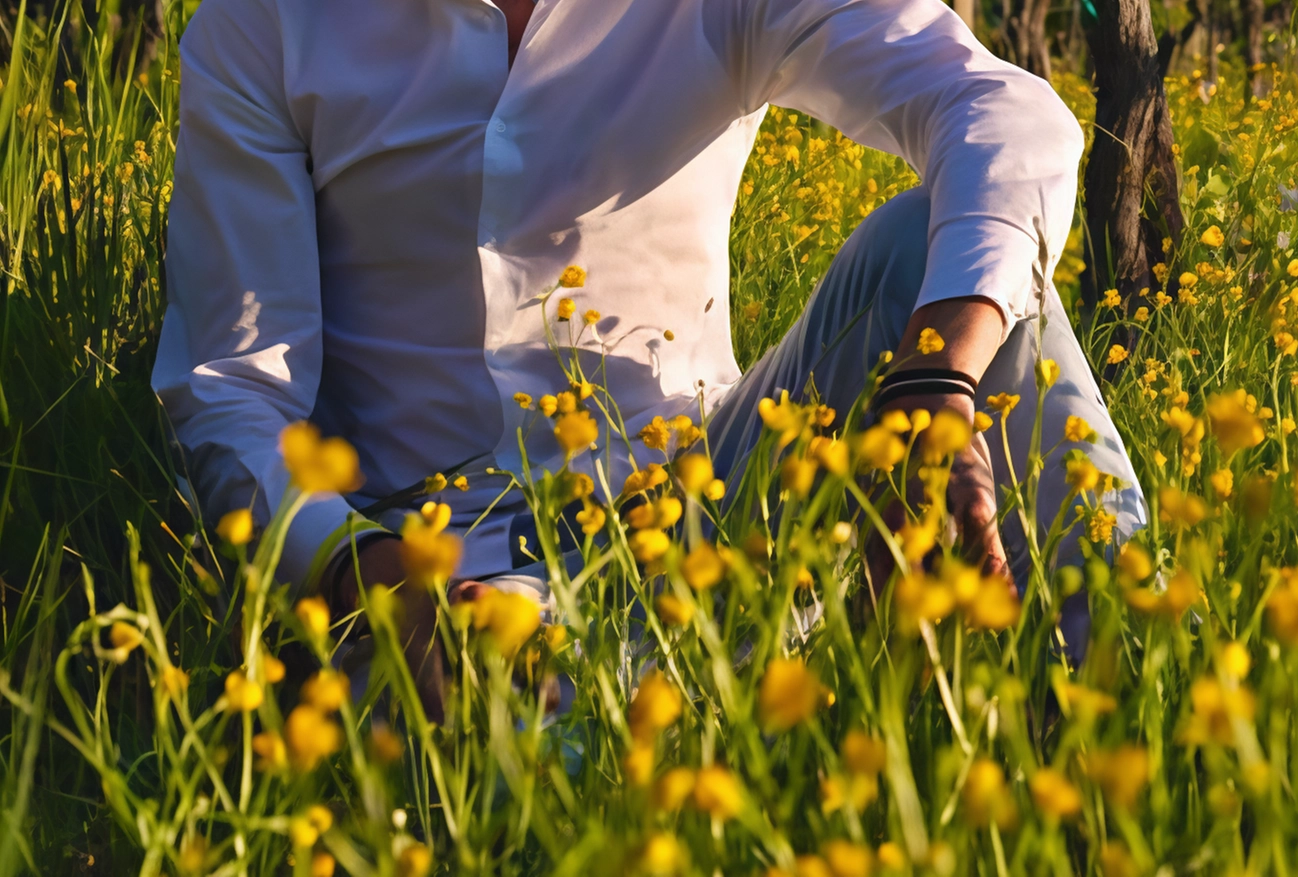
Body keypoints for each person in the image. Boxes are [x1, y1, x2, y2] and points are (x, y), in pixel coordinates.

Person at [153, 0, 1145, 719]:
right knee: (518, 798)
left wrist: (935, 383)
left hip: (710, 508)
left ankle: (1132, 698)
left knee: (930, 252)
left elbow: (1001, 112)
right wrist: (365, 576)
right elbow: (237, 383)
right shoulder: (266, 22)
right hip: (439, 576)